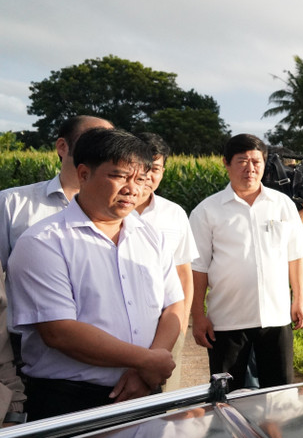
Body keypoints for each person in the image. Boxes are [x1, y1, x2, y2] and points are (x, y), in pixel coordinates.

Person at [7, 128, 183, 420]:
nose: (132, 189)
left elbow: (173, 304)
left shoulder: (150, 236)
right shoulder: (43, 241)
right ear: (84, 174)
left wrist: (147, 368)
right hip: (71, 400)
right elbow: (59, 331)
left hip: (144, 388)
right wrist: (147, 361)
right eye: (119, 176)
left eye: (140, 179)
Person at [0, 115, 113, 423]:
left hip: (105, 346)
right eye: (94, 140)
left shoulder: (121, 212)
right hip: (23, 347)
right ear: (62, 147)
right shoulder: (12, 204)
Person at [189, 134, 303, 390]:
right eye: (242, 161)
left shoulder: (282, 204)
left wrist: (299, 298)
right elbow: (197, 268)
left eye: (256, 162)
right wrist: (198, 315)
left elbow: (295, 254)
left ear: (264, 164)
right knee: (227, 396)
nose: (250, 168)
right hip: (227, 321)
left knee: (279, 394)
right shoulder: (207, 211)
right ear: (226, 163)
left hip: (276, 318)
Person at [135, 133, 198, 333]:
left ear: (163, 171)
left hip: (167, 322)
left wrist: (182, 320)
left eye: (154, 169)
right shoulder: (107, 212)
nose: (147, 175)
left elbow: (183, 273)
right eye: (142, 166)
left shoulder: (174, 213)